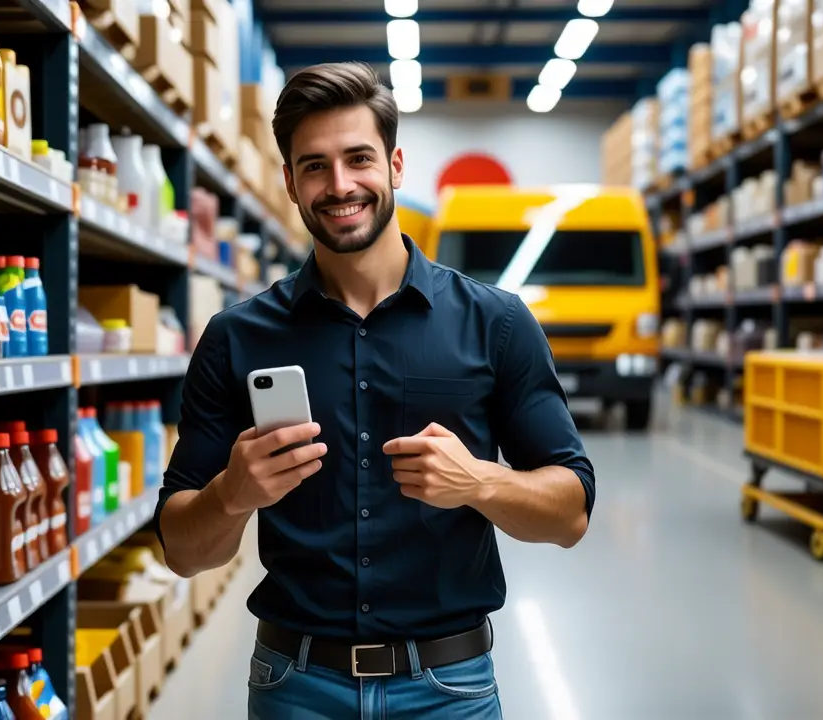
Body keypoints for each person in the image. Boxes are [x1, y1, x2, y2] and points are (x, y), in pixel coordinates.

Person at [154, 61, 595, 719]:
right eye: (314, 166)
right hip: (295, 687)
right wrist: (233, 494)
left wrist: (478, 482)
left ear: (394, 164)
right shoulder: (236, 338)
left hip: (449, 689)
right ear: (290, 184)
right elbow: (186, 551)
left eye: (358, 158)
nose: (340, 185)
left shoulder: (496, 324)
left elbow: (571, 513)